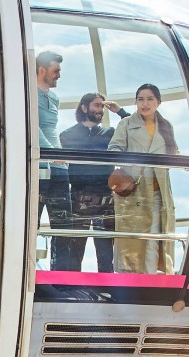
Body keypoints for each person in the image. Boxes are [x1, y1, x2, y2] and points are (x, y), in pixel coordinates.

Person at [106, 83, 177, 274]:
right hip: (134, 191)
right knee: (132, 240)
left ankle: (151, 277)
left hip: (158, 191)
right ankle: (129, 281)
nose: (145, 104)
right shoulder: (126, 124)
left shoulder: (166, 126)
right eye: (140, 99)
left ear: (158, 102)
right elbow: (114, 149)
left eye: (150, 99)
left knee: (155, 236)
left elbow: (173, 153)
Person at [54, 91, 128, 271]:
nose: (101, 110)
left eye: (102, 106)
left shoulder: (110, 133)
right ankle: (73, 290)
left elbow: (135, 127)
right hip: (78, 196)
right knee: (75, 251)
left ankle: (106, 290)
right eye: (97, 105)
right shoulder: (66, 135)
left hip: (106, 196)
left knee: (106, 252)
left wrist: (120, 112)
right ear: (84, 107)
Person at [32, 50, 73, 267]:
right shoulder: (28, 94)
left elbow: (52, 130)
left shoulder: (54, 98)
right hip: (40, 167)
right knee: (32, 223)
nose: (59, 75)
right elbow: (33, 127)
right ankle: (28, 272)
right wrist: (52, 154)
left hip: (58, 167)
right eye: (56, 70)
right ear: (42, 70)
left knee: (63, 224)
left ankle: (61, 275)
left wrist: (61, 157)